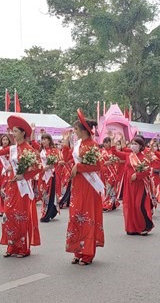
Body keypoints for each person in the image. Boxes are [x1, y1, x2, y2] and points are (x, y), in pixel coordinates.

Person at [0, 116, 42, 258]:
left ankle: (23, 248)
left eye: (16, 131)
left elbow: (38, 168)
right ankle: (11, 245)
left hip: (23, 187)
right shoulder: (12, 148)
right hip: (11, 187)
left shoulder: (29, 149)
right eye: (12, 131)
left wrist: (24, 176)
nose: (13, 134)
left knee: (21, 216)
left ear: (23, 133)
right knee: (9, 214)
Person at [61, 109, 104, 266]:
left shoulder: (93, 146)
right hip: (78, 185)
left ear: (84, 130)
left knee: (87, 216)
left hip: (89, 186)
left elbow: (97, 165)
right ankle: (77, 250)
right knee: (75, 215)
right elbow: (67, 160)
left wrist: (79, 167)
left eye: (76, 130)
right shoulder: (78, 145)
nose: (75, 132)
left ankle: (88, 253)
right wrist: (66, 146)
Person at [112, 135, 155, 235]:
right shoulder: (128, 155)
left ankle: (145, 226)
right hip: (129, 185)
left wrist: (138, 175)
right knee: (129, 206)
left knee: (138, 205)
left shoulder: (144, 157)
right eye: (132, 143)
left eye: (135, 144)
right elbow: (115, 152)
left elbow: (148, 171)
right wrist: (113, 140)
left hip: (140, 185)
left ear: (140, 146)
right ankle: (132, 228)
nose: (132, 146)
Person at [38, 133, 60, 222]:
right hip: (42, 174)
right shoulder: (41, 150)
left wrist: (49, 166)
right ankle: (52, 210)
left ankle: (46, 214)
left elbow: (55, 162)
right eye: (42, 139)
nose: (43, 141)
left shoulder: (54, 150)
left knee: (48, 193)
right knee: (42, 192)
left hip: (50, 174)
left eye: (45, 139)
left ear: (49, 140)